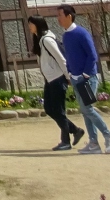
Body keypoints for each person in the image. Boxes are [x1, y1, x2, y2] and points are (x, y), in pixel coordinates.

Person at [56, 5, 110, 155]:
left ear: (69, 16)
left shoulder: (81, 33)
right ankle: (93, 143)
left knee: (87, 109)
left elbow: (92, 55)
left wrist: (85, 74)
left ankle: (109, 137)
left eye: (60, 15)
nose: (58, 19)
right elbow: (69, 56)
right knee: (85, 111)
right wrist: (70, 73)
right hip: (75, 78)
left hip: (87, 79)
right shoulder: (66, 36)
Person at [27, 15, 84, 151]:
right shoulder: (40, 39)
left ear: (38, 25)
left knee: (58, 110)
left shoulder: (47, 40)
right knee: (49, 109)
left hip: (57, 78)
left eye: (31, 24)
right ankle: (75, 130)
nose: (29, 27)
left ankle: (66, 141)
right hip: (50, 79)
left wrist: (68, 76)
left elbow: (61, 58)